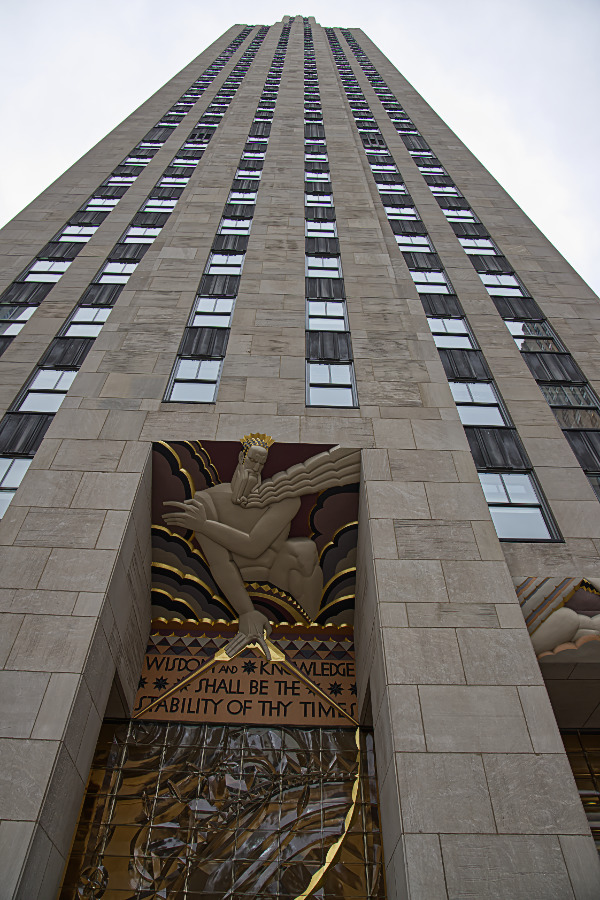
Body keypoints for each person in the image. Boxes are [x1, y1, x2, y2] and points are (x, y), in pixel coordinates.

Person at [163, 438, 322, 657]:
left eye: (261, 463)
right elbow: (220, 562)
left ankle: (308, 636)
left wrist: (205, 525)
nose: (256, 468)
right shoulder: (207, 499)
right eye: (252, 460)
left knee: (304, 550)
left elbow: (253, 546)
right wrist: (246, 612)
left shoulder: (284, 499)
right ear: (241, 457)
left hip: (281, 581)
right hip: (229, 588)